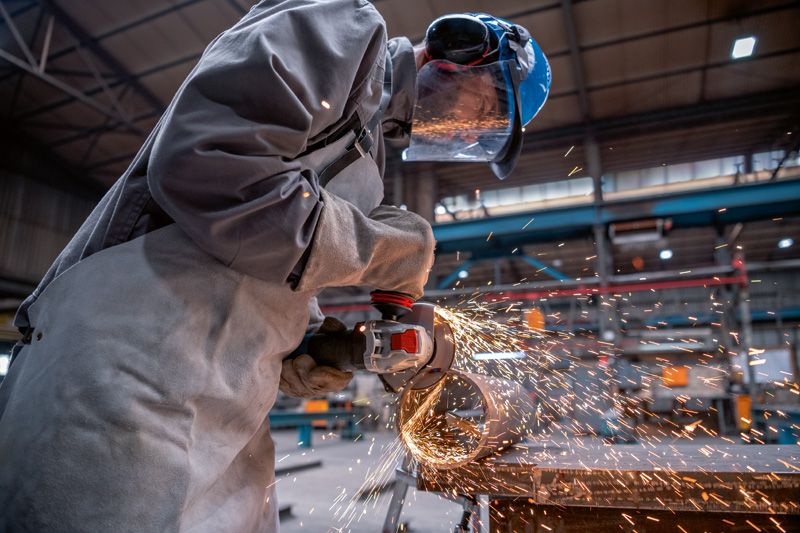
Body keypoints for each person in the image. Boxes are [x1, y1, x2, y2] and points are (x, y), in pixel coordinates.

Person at [0, 1, 549, 530]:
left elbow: (266, 260)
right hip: (124, 373)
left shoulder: (368, 157)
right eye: (486, 110)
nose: (473, 132)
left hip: (224, 414)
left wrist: (302, 342)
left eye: (485, 133)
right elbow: (211, 169)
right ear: (461, 50)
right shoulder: (346, 29)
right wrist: (382, 249)